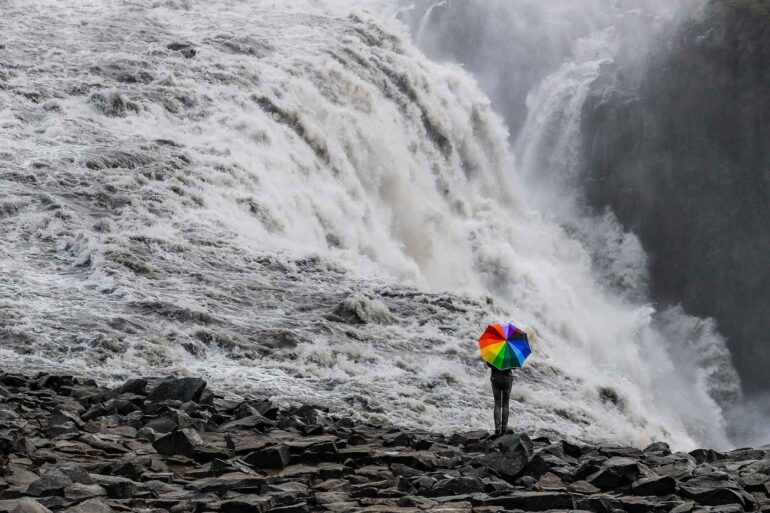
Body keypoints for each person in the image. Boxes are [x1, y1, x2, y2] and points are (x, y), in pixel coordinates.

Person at [488, 362, 513, 436]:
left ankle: (497, 429)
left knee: (497, 404)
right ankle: (504, 429)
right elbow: (514, 366)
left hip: (495, 378)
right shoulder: (509, 353)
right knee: (506, 404)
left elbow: (489, 364)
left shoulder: (493, 352)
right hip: (507, 379)